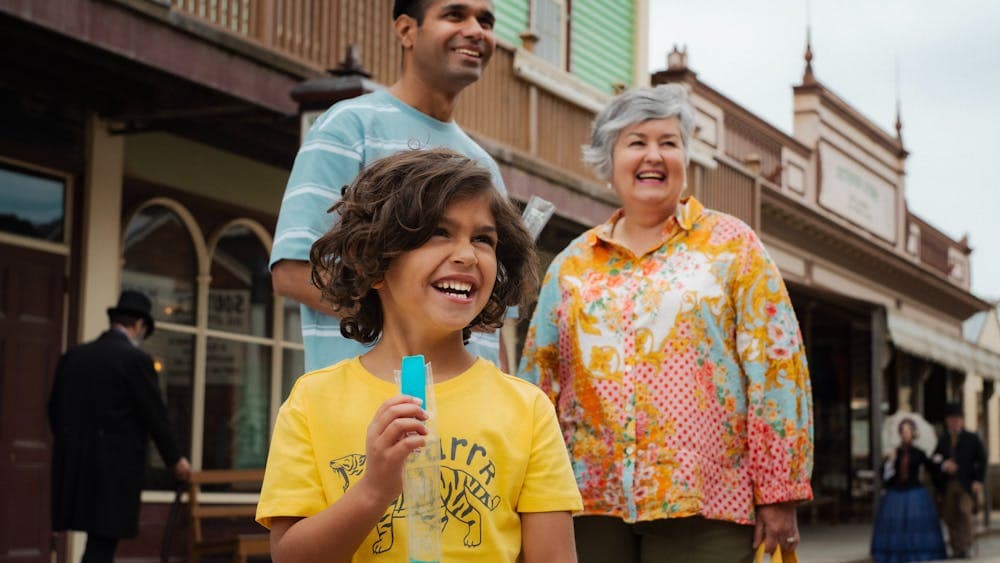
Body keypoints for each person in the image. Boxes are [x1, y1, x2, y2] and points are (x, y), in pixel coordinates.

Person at [517, 84, 814, 562]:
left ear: (686, 157)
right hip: (589, 500)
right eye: (636, 142)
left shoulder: (732, 247)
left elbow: (778, 371)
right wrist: (525, 489)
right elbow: (539, 381)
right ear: (607, 159)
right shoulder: (572, 265)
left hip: (705, 502)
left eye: (668, 142)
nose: (653, 155)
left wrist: (779, 493)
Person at [256, 149, 582, 563]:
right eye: (438, 233)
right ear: (372, 263)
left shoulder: (527, 410)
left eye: (483, 239)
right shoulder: (312, 402)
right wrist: (373, 491)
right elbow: (289, 557)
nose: (467, 254)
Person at [271, 0, 510, 373]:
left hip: (472, 420)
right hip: (366, 409)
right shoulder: (349, 128)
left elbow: (492, 315)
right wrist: (415, 321)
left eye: (486, 20)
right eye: (454, 15)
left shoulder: (484, 166)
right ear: (405, 30)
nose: (476, 31)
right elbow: (293, 270)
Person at [48, 290, 191, 563]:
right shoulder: (136, 361)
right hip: (113, 470)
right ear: (139, 325)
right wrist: (176, 461)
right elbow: (155, 416)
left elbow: (54, 411)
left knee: (97, 542)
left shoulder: (73, 357)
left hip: (75, 465)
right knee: (102, 544)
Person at [870, 417, 947, 562]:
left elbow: (931, 468)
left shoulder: (919, 452)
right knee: (895, 525)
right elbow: (885, 475)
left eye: (908, 430)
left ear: (912, 433)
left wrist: (939, 463)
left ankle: (917, 552)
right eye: (903, 430)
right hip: (896, 492)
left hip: (914, 491)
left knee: (916, 525)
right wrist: (890, 460)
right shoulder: (894, 452)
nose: (905, 433)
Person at [932, 402, 986, 559]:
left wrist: (978, 480)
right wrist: (944, 465)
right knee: (950, 515)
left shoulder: (972, 438)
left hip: (966, 483)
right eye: (951, 419)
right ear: (947, 421)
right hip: (948, 484)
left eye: (957, 419)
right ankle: (956, 547)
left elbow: (982, 459)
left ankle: (965, 546)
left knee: (964, 512)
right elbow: (935, 459)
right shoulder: (943, 440)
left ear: (961, 421)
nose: (954, 422)